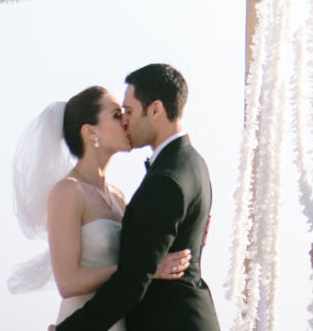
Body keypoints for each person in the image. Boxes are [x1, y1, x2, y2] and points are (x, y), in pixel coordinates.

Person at [9, 85, 190, 331]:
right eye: (117, 116)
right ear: (90, 131)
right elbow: (68, 282)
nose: (127, 121)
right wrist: (141, 271)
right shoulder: (68, 192)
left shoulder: (118, 197)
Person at [55, 63, 220, 331]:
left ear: (154, 110)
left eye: (128, 112)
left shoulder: (165, 179)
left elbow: (133, 280)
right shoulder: (192, 163)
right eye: (118, 115)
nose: (125, 121)